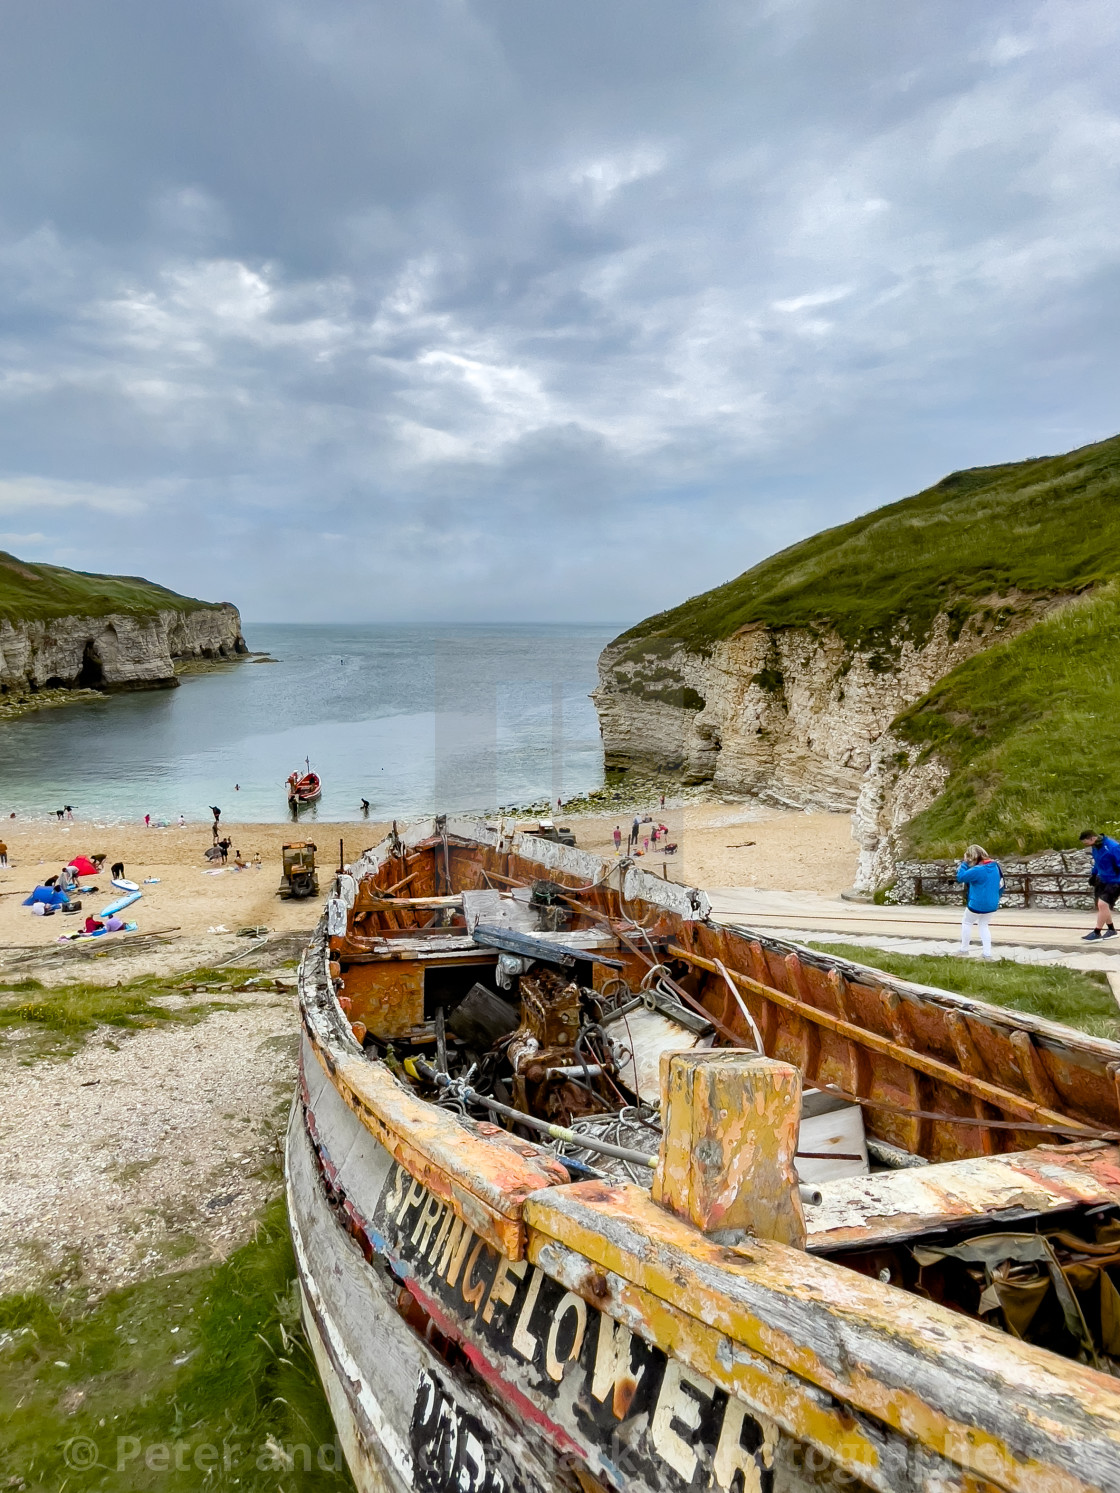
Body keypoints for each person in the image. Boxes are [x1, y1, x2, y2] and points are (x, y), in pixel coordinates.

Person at [954, 845, 1003, 959]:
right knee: (984, 925)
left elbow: (961, 877)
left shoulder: (978, 870)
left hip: (977, 903)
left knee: (967, 922)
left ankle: (964, 949)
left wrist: (965, 863)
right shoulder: (995, 867)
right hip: (992, 903)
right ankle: (987, 953)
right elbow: (1001, 884)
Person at [1079, 829, 1120, 940]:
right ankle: (1111, 930)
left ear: (1092, 838)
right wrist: (1093, 875)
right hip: (1103, 879)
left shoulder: (1113, 847)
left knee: (1103, 904)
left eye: (1086, 842)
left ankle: (1097, 932)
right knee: (1102, 906)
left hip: (1115, 880)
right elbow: (1097, 862)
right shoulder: (1095, 847)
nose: (1085, 845)